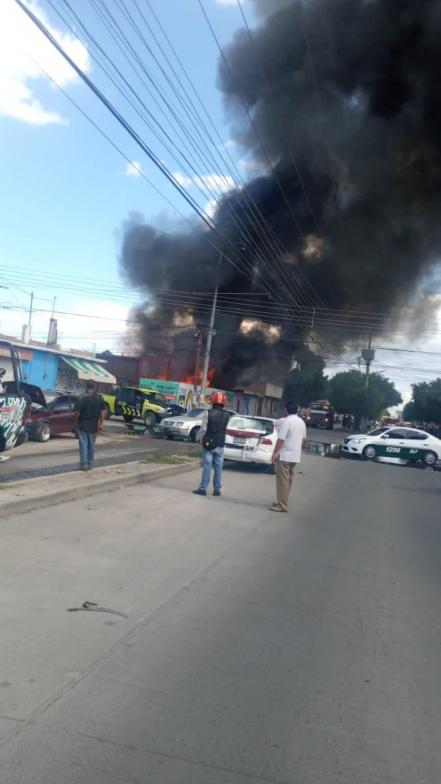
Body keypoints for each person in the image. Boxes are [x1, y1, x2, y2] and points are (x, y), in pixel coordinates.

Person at [270, 400, 306, 513]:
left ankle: (282, 505)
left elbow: (280, 440)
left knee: (282, 481)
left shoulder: (287, 422)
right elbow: (303, 440)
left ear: (286, 410)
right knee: (288, 480)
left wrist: (274, 454)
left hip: (285, 456)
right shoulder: (301, 422)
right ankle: (282, 501)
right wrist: (297, 450)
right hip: (295, 456)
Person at [193, 391, 230, 497]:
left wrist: (201, 440)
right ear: (223, 403)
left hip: (209, 444)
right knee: (219, 468)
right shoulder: (227, 415)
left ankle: (203, 489)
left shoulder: (208, 413)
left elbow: (203, 429)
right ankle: (217, 490)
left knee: (207, 467)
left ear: (213, 401)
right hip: (220, 444)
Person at [74, 380, 106, 471]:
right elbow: (103, 412)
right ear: (94, 387)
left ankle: (84, 465)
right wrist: (101, 424)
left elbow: (77, 413)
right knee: (92, 445)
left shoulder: (81, 398)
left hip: (82, 425)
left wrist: (75, 421)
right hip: (94, 426)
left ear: (86, 386)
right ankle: (90, 463)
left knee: (83, 444)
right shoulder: (99, 397)